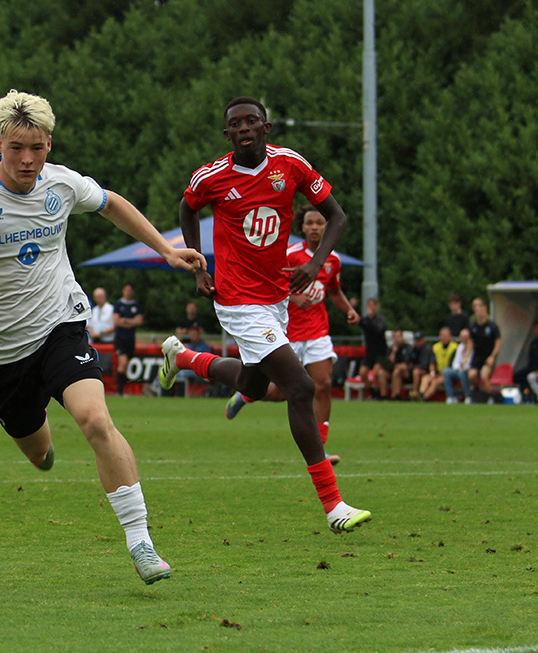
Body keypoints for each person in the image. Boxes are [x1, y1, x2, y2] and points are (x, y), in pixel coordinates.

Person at [0, 89, 205, 584]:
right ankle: (41, 445)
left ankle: (141, 543)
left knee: (94, 419)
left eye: (38, 148)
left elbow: (111, 204)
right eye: (17, 148)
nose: (28, 160)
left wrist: (167, 249)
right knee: (39, 454)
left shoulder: (61, 183)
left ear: (49, 143)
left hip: (60, 324)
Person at [157, 96, 370, 534]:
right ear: (228, 134)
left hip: (276, 299)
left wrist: (313, 264)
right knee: (301, 385)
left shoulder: (290, 165)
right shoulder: (212, 177)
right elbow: (186, 206)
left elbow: (337, 216)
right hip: (237, 299)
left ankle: (183, 358)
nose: (245, 128)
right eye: (236, 124)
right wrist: (198, 262)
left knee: (254, 384)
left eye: (253, 120)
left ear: (266, 127)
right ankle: (333, 505)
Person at [223, 205, 360, 466]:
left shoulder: (332, 259)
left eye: (320, 222)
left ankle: (321, 447)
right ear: (302, 227)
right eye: (310, 223)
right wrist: (294, 296)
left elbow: (334, 291)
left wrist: (349, 310)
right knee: (281, 392)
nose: (315, 227)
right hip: (288, 332)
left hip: (318, 331)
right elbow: (268, 281)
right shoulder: (291, 255)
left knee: (323, 385)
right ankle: (247, 395)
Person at [112, 283, 142, 396]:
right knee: (123, 362)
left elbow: (139, 321)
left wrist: (125, 321)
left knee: (126, 365)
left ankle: (123, 389)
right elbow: (116, 321)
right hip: (120, 338)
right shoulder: (118, 305)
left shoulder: (136, 306)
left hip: (130, 339)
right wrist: (131, 322)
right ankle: (119, 390)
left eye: (130, 290)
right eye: (126, 290)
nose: (128, 292)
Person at [468, 297, 501, 396]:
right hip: (477, 356)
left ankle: (489, 396)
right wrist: (467, 355)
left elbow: (498, 342)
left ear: (485, 309)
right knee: (471, 375)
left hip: (488, 356)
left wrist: (493, 356)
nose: (479, 313)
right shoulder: (473, 326)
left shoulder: (492, 326)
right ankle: (479, 392)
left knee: (484, 375)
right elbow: (470, 341)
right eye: (477, 310)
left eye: (481, 310)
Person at [359, 297, 390, 399]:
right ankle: (373, 390)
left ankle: (381, 394)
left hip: (380, 352)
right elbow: (358, 321)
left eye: (373, 305)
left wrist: (371, 320)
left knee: (376, 373)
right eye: (369, 306)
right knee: (362, 372)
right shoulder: (365, 320)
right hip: (370, 352)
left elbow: (378, 330)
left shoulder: (380, 319)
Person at [420, 327, 458, 401]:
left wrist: (441, 374)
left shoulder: (454, 347)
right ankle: (420, 393)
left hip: (447, 374)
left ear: (450, 336)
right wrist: (432, 373)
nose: (444, 338)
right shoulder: (436, 347)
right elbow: (432, 362)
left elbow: (452, 364)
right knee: (425, 378)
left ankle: (423, 398)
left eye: (446, 336)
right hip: (437, 373)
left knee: (435, 382)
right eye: (442, 336)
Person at [443, 328, 474, 404]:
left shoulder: (473, 347)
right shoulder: (460, 347)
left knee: (462, 373)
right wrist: (459, 367)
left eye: (465, 337)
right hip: (459, 370)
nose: (464, 339)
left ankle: (468, 396)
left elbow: (471, 362)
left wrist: (465, 367)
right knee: (446, 371)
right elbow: (455, 362)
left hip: (468, 370)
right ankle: (450, 396)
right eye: (462, 337)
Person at [388, 329, 414, 400]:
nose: (397, 339)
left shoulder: (408, 348)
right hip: (394, 372)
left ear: (402, 337)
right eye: (395, 337)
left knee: (397, 371)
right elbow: (389, 363)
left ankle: (395, 395)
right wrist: (393, 352)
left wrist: (396, 366)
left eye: (398, 336)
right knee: (381, 372)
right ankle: (381, 395)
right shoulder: (392, 348)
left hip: (407, 372)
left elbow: (406, 363)